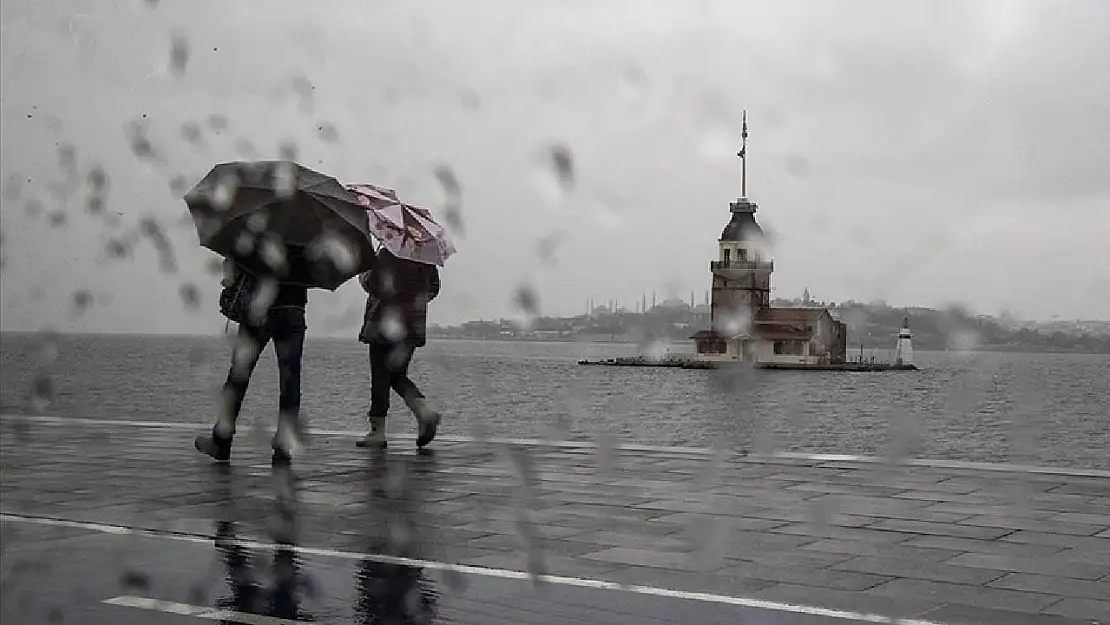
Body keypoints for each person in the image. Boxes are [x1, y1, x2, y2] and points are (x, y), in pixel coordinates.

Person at [195, 252, 308, 465]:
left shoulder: (261, 224)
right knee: (290, 380)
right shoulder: (309, 231)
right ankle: (283, 447)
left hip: (259, 309)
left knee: (238, 376)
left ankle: (222, 440)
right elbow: (312, 273)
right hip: (293, 309)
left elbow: (240, 257)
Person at [356, 247, 441, 449]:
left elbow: (375, 284)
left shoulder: (388, 252)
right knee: (396, 374)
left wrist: (364, 274)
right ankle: (423, 411)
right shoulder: (424, 257)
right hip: (412, 325)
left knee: (380, 376)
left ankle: (378, 431)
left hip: (385, 323)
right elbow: (434, 288)